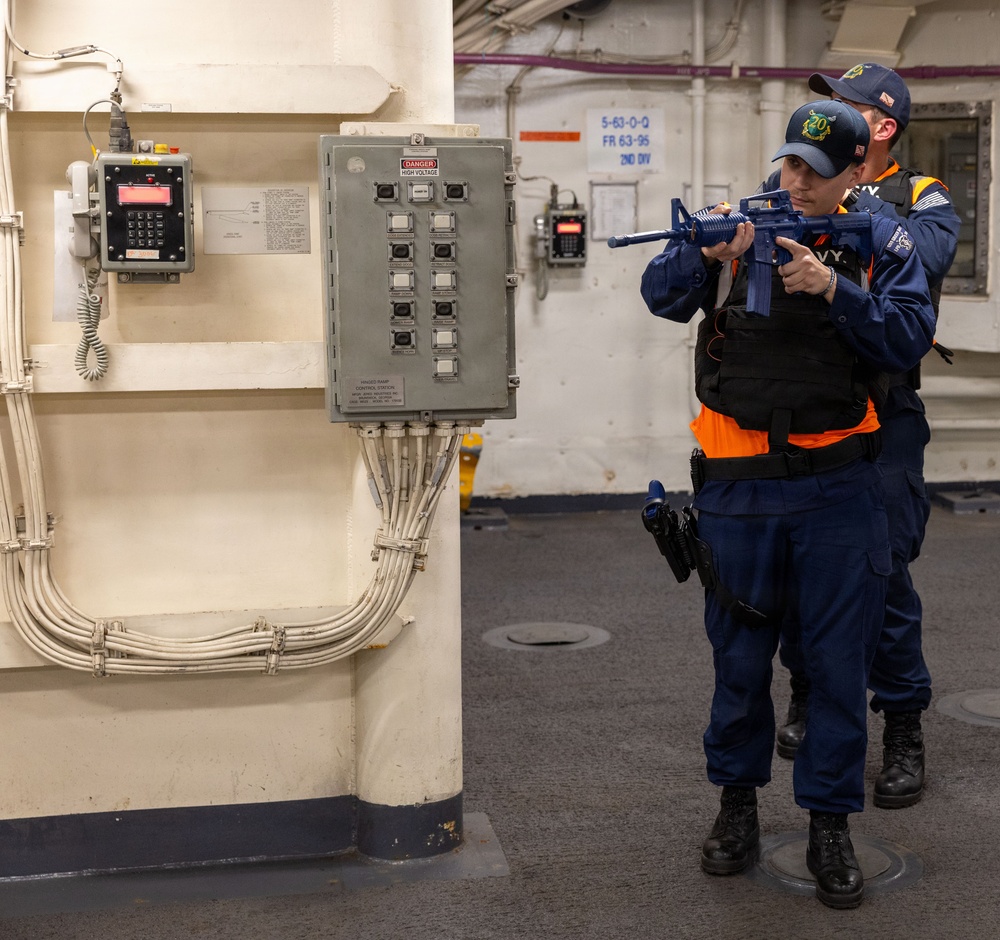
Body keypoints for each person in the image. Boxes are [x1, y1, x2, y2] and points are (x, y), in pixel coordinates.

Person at [640, 99, 935, 909]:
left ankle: (829, 825)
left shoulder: (880, 241)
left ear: (858, 173)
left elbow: (907, 339)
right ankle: (735, 808)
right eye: (788, 164)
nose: (795, 180)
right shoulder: (739, 223)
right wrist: (702, 250)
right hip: (738, 492)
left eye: (815, 169)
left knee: (837, 668)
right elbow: (660, 295)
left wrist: (833, 288)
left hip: (840, 491)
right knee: (737, 666)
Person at [773, 64, 961, 812]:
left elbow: (928, 255)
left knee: (882, 576)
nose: (824, 114)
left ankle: (904, 724)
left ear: (880, 128)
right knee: (794, 566)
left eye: (841, 106)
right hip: (808, 406)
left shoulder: (920, 198)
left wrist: (847, 199)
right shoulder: (799, 184)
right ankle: (809, 692)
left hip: (884, 412)